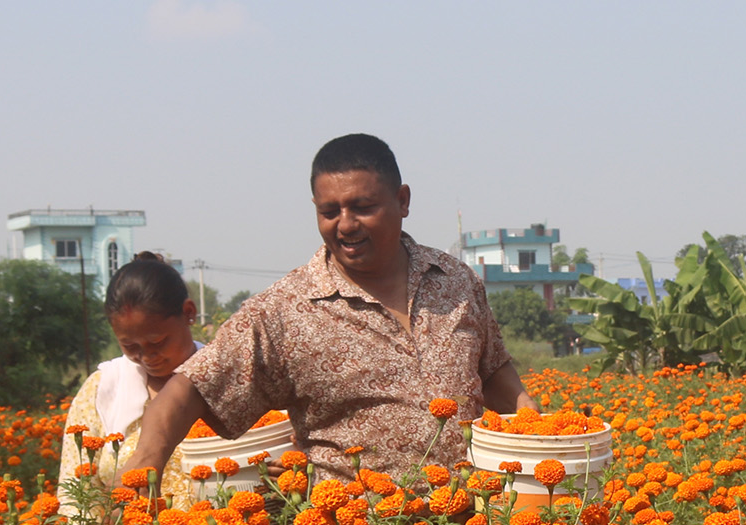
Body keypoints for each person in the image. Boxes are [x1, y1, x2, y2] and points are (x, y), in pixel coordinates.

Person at [120, 133, 534, 499]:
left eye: (363, 207)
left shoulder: (455, 280)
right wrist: (147, 460)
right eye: (329, 211)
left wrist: (540, 429)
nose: (346, 225)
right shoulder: (287, 308)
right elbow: (190, 386)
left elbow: (492, 369)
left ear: (403, 200)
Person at [56, 253, 205, 519]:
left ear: (188, 313)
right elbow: (75, 496)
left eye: (157, 342)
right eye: (130, 347)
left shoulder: (230, 379)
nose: (147, 357)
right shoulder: (102, 389)